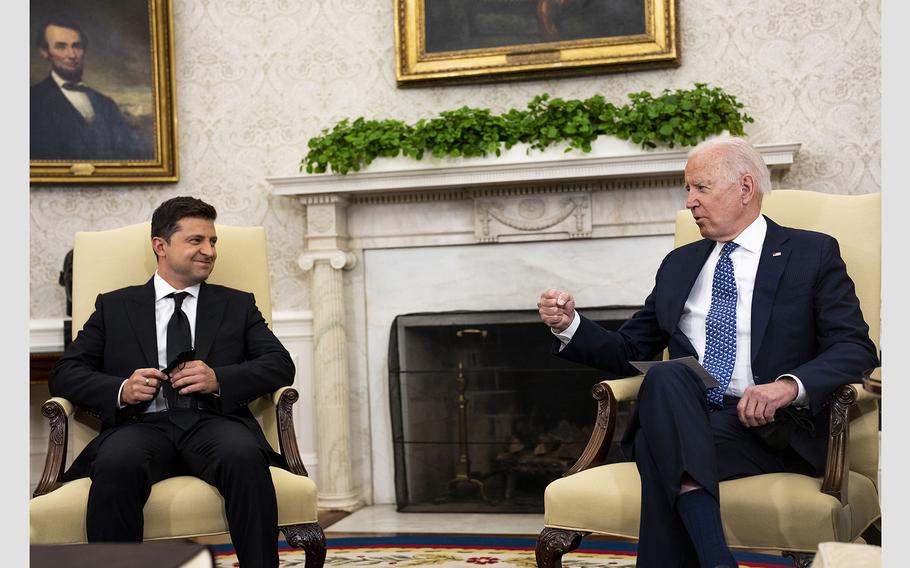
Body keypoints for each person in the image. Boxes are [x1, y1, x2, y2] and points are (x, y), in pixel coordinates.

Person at [537, 136, 878, 568]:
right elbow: (629, 349)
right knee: (667, 376)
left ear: (745, 187)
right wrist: (570, 325)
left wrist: (787, 388)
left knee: (663, 448)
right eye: (687, 189)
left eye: (701, 188)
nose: (690, 202)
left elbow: (854, 347)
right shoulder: (680, 263)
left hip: (769, 429)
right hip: (688, 413)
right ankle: (716, 559)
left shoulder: (811, 253)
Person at [50, 196, 294, 568]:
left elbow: (279, 365)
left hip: (214, 422)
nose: (209, 251)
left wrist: (219, 379)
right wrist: (121, 389)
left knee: (244, 456)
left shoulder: (237, 305)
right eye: (196, 241)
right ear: (160, 246)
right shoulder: (115, 306)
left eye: (213, 242)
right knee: (117, 462)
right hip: (140, 424)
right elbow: (65, 373)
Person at [31, 16, 149, 160]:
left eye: (76, 46)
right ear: (45, 52)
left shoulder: (107, 104)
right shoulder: (32, 101)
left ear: (84, 50)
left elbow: (131, 154)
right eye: (61, 46)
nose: (72, 55)